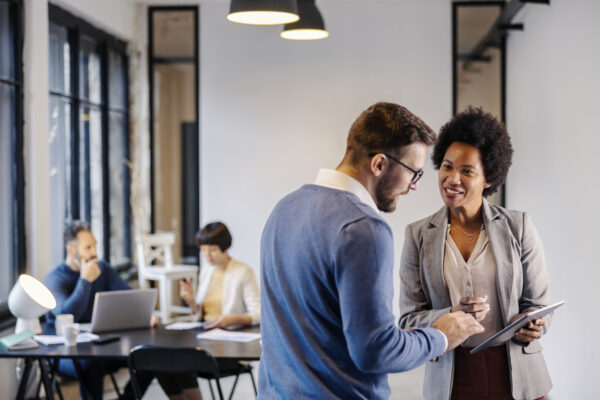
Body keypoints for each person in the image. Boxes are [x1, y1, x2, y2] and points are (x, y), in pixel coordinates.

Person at [258, 102, 484, 399]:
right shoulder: (364, 228)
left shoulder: (284, 208)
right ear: (379, 164)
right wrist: (441, 335)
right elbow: (376, 351)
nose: (413, 186)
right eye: (414, 173)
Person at [399, 107, 552, 400]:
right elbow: (408, 321)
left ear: (489, 178)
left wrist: (535, 324)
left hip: (518, 374)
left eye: (467, 171)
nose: (452, 179)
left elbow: (538, 305)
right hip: (452, 376)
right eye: (446, 166)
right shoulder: (417, 235)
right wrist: (451, 315)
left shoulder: (519, 226)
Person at [44, 220, 154, 400]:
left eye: (95, 246)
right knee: (90, 365)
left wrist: (146, 314)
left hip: (100, 344)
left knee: (148, 356)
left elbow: (131, 298)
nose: (94, 253)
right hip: (64, 351)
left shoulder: (102, 269)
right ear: (71, 250)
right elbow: (69, 315)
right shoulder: (55, 279)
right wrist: (85, 281)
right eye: (88, 248)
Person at [155, 221, 260, 400]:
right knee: (160, 359)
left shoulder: (243, 272)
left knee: (181, 358)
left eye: (212, 249)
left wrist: (231, 319)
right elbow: (202, 314)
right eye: (203, 250)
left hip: (229, 347)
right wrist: (192, 302)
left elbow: (259, 313)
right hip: (205, 339)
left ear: (225, 247)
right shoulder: (207, 270)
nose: (207, 255)